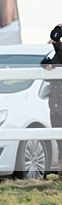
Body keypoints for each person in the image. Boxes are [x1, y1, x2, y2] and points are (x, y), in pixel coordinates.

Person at [41, 23, 62, 176]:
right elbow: (50, 64)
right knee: (59, 139)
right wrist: (46, 65)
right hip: (56, 104)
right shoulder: (56, 52)